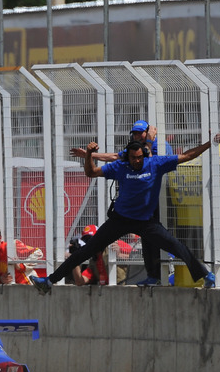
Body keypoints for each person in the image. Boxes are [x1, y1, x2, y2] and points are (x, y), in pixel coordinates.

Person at [31, 138, 217, 294]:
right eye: (133, 158)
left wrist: (209, 144)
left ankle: (206, 275)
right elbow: (91, 172)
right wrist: (88, 154)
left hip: (145, 222)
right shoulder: (121, 166)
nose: (136, 161)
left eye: (139, 158)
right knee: (86, 250)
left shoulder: (156, 164)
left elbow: (188, 155)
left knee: (176, 245)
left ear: (143, 155)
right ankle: (48, 281)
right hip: (120, 220)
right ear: (127, 157)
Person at [70, 120, 172, 286]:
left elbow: (151, 166)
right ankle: (153, 276)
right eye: (135, 133)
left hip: (160, 197)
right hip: (145, 200)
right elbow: (115, 157)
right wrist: (88, 155)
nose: (137, 136)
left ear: (149, 132)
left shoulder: (157, 145)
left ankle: (165, 273)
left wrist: (150, 142)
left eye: (141, 133)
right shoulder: (137, 147)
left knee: (159, 237)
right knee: (148, 238)